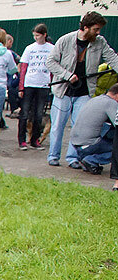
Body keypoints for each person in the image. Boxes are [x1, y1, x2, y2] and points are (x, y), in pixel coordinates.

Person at [46, 12, 118, 168]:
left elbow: (113, 59)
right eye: (96, 29)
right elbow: (50, 61)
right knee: (58, 125)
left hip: (85, 90)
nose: (98, 33)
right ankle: (53, 156)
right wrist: (67, 75)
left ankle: (73, 158)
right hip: (63, 90)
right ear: (86, 27)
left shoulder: (100, 42)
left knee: (78, 126)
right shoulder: (65, 40)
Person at [18, 24, 53, 150]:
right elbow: (23, 68)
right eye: (34, 35)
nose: (36, 38)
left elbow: (53, 67)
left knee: (39, 113)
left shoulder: (51, 48)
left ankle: (35, 140)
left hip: (43, 84)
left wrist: (51, 83)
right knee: (25, 113)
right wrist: (21, 87)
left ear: (44, 35)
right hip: (29, 83)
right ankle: (21, 140)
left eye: (38, 35)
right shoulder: (29, 48)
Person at [69, 83, 118, 174]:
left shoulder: (96, 99)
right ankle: (91, 160)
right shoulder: (110, 103)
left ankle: (88, 161)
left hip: (77, 144)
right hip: (88, 145)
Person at [4, 34, 21, 118]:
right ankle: (15, 110)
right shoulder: (10, 53)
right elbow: (20, 60)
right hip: (10, 77)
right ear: (9, 41)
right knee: (12, 90)